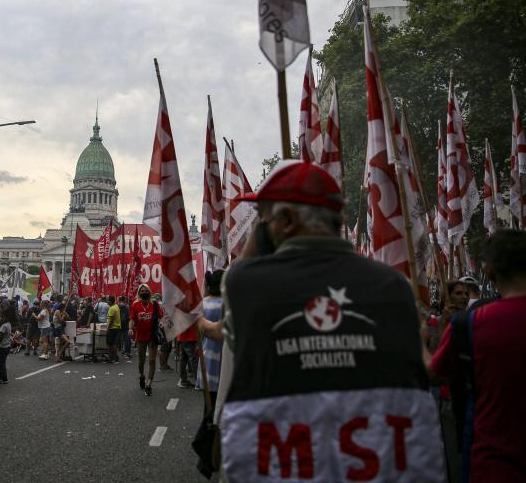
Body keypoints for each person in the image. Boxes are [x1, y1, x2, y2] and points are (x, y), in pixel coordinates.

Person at [220, 160, 442, 480]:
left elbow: (238, 283)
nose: (261, 226)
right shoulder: (394, 286)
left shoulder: (246, 283)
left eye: (263, 218)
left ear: (285, 220)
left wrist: (260, 238)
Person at [428, 230, 526, 480]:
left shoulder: (471, 324)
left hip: (493, 466)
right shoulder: (462, 322)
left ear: (490, 272)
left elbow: (432, 374)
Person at [196, 270, 224, 409]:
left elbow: (199, 335)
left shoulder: (203, 304)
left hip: (207, 359)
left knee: (209, 407)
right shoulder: (227, 304)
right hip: (224, 360)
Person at [129, 284, 161, 396]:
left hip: (153, 336)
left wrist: (162, 324)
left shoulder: (155, 305)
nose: (144, 292)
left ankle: (149, 384)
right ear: (139, 293)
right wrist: (130, 329)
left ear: (149, 292)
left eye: (146, 290)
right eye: (142, 290)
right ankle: (142, 375)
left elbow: (161, 317)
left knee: (152, 361)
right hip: (141, 336)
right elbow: (132, 319)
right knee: (141, 361)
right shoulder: (135, 305)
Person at [0, 312, 12, 384]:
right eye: (0, 317)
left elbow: (0, 337)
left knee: (1, 363)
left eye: (2, 317)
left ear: (6, 318)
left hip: (2, 346)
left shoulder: (3, 326)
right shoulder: (9, 324)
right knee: (1, 362)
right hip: (7, 346)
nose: (0, 318)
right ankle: (0, 376)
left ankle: (4, 379)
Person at [106, 296, 121, 363]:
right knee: (114, 343)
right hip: (117, 328)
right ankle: (115, 357)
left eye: (108, 300)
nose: (107, 302)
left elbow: (111, 320)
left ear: (111, 301)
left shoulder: (112, 308)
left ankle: (111, 358)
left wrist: (108, 329)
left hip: (112, 328)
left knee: (110, 344)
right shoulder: (116, 306)